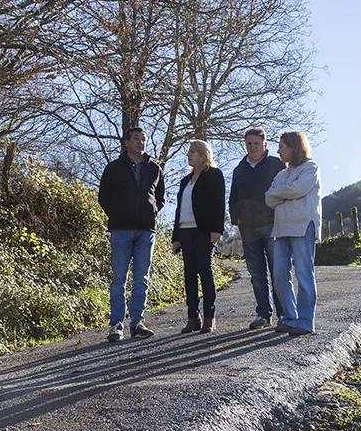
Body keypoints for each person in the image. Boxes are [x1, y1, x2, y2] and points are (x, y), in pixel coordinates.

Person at [98, 127, 166, 342]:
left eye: (144, 139)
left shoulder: (154, 168)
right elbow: (103, 197)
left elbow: (160, 197)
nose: (140, 143)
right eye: (136, 139)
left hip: (146, 230)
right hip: (120, 230)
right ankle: (116, 325)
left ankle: (137, 322)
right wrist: (118, 214)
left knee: (141, 279)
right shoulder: (113, 168)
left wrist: (150, 213)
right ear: (126, 142)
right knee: (119, 278)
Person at [265, 131, 322, 336]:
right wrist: (285, 192)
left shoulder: (310, 168)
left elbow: (297, 190)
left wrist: (282, 193)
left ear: (293, 147)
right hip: (280, 229)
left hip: (302, 226)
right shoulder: (281, 174)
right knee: (279, 274)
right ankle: (290, 317)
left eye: (281, 146)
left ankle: (306, 321)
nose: (278, 150)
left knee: (304, 274)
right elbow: (268, 198)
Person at [228, 128, 286, 330]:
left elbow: (285, 190)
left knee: (278, 271)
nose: (252, 147)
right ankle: (263, 314)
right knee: (256, 274)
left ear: (265, 145)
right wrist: (238, 219)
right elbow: (233, 198)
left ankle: (285, 315)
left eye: (256, 144)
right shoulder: (239, 169)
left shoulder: (277, 165)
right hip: (248, 229)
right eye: (249, 144)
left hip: (272, 225)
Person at [172, 140, 225, 334]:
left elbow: (219, 204)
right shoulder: (185, 180)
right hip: (185, 231)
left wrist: (217, 230)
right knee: (189, 275)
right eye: (188, 152)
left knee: (205, 271)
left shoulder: (214, 175)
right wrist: (175, 236)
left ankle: (209, 318)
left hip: (204, 231)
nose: (189, 155)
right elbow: (179, 209)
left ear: (203, 154)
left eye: (193, 152)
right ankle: (192, 317)